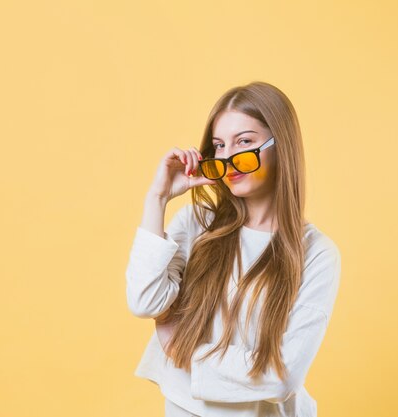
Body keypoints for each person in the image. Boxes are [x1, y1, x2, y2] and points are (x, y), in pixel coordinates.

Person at [125, 81, 342, 417]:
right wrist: (158, 198)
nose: (228, 158)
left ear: (279, 145)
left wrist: (184, 350)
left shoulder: (316, 253)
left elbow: (281, 377)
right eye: (219, 145)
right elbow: (144, 300)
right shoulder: (200, 222)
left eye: (244, 141)